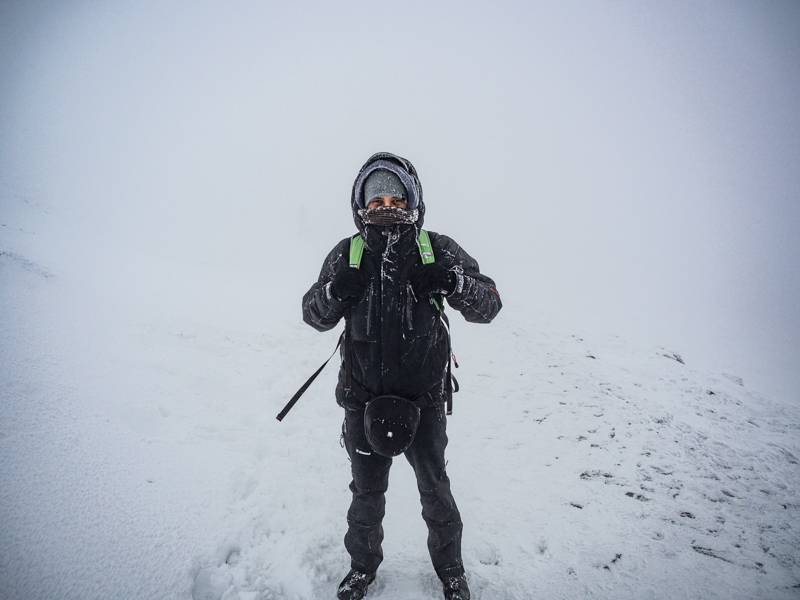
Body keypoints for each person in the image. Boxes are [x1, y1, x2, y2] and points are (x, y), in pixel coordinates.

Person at [302, 152, 502, 600]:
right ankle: (361, 570)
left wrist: (453, 282)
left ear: (413, 198)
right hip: (361, 400)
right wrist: (335, 292)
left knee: (436, 493)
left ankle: (451, 572)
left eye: (395, 196)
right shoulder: (347, 253)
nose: (385, 206)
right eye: (375, 200)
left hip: (425, 403)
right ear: (361, 206)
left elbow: (490, 304)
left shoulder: (438, 248)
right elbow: (312, 314)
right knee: (365, 498)